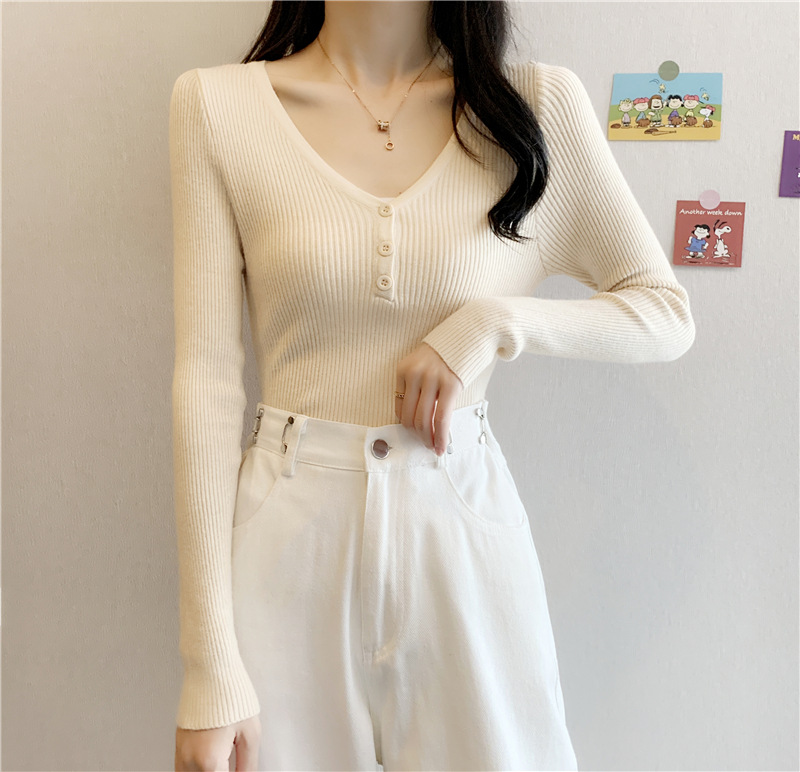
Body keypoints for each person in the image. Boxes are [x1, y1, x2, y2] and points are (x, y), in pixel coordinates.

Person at [168, 1, 696, 770]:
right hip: (287, 533)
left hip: (460, 522)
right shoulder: (217, 107)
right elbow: (208, 384)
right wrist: (208, 663)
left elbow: (663, 312)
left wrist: (493, 324)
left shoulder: (533, 105)